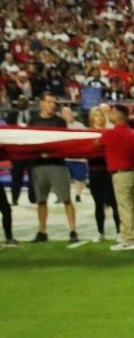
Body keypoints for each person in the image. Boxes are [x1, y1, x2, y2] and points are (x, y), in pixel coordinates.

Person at [30, 92, 79, 243]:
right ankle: (42, 231)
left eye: (54, 102)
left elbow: (62, 142)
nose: (52, 105)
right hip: (39, 164)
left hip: (57, 164)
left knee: (66, 198)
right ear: (41, 103)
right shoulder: (33, 121)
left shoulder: (59, 122)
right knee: (41, 200)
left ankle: (72, 230)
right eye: (49, 102)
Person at [102, 104, 134, 252]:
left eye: (112, 113)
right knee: (133, 207)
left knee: (124, 208)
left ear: (118, 115)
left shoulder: (112, 134)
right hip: (132, 172)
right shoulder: (132, 134)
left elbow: (97, 143)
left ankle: (129, 240)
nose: (110, 115)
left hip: (120, 175)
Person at [86, 107, 119, 241]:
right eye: (96, 116)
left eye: (101, 116)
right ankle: (101, 232)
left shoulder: (109, 132)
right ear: (92, 118)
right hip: (94, 171)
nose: (99, 118)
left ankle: (119, 231)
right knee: (98, 203)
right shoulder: (87, 134)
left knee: (114, 202)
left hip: (109, 170)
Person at [62, 105, 87, 204]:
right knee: (64, 178)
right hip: (65, 157)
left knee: (79, 177)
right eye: (66, 113)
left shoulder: (80, 126)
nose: (68, 115)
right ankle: (64, 195)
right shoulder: (60, 126)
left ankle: (78, 195)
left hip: (78, 157)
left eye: (69, 112)